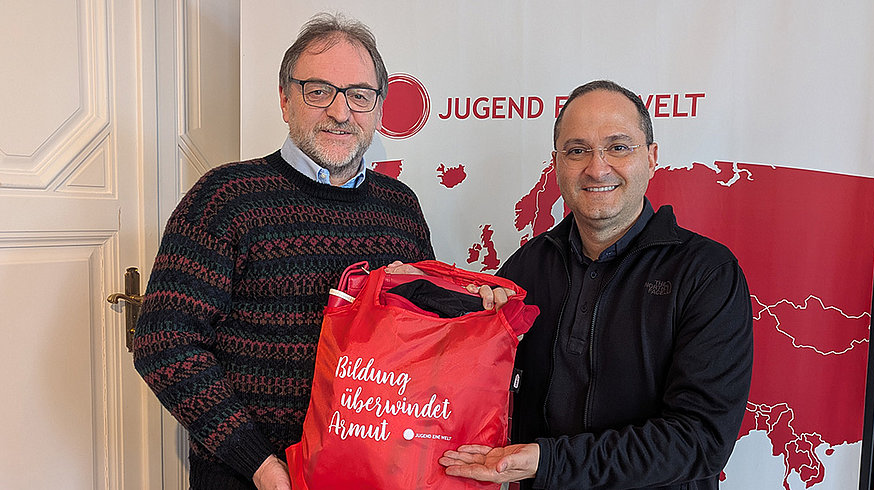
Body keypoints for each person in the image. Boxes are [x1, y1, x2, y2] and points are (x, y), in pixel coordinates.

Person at [132, 13, 434, 490]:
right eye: (319, 91)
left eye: (359, 95)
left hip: (375, 473)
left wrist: (468, 307)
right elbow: (164, 340)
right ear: (285, 99)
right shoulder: (225, 197)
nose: (340, 112)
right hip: (249, 478)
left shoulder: (401, 207)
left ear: (378, 108)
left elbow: (425, 337)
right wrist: (260, 464)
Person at [439, 80, 754, 489]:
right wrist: (459, 320)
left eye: (618, 147)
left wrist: (550, 461)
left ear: (651, 158)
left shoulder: (707, 273)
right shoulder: (525, 269)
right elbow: (469, 384)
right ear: (556, 164)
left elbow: (700, 440)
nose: (597, 168)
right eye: (577, 150)